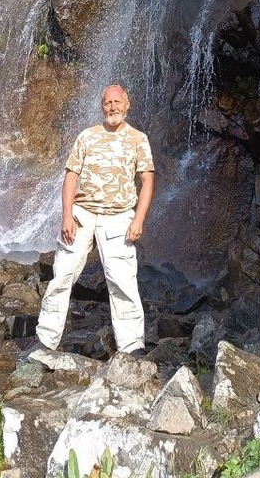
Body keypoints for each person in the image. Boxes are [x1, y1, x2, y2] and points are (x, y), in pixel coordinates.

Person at [31, 84, 155, 364]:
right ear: (102, 106)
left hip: (119, 217)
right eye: (107, 102)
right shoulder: (87, 136)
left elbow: (147, 180)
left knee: (122, 281)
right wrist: (66, 215)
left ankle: (132, 347)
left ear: (127, 105)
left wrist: (139, 219)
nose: (112, 107)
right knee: (62, 276)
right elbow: (70, 177)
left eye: (117, 102)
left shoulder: (138, 139)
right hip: (82, 214)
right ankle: (45, 340)